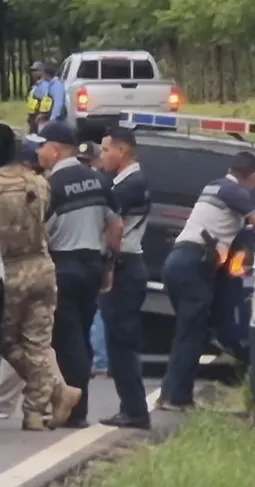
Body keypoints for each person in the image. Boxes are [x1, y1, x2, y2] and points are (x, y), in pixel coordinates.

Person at [158, 152, 255, 411]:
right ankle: (178, 398)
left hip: (177, 262)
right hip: (194, 264)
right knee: (192, 334)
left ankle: (169, 393)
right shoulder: (234, 191)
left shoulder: (215, 185)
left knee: (187, 333)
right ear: (252, 176)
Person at [0, 139, 82, 431]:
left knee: (4, 340)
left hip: (10, 270)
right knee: (38, 342)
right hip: (42, 267)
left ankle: (53, 391)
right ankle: (36, 412)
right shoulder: (41, 184)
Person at [28, 122, 123, 428]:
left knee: (66, 340)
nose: (39, 151)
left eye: (42, 146)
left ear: (55, 150)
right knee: (80, 334)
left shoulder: (49, 187)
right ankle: (72, 407)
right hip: (93, 266)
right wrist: (109, 265)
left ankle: (75, 411)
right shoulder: (98, 180)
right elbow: (116, 226)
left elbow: (38, 232)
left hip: (63, 267)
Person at [96, 127, 152, 429]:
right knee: (119, 341)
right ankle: (129, 407)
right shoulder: (127, 182)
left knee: (121, 343)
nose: (102, 156)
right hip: (129, 264)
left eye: (106, 150)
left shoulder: (128, 186)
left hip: (124, 265)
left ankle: (134, 410)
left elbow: (113, 226)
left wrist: (108, 262)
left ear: (122, 151)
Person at [77, 141, 110, 377]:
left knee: (93, 311)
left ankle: (97, 359)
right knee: (93, 310)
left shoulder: (101, 186)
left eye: (89, 162)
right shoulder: (101, 185)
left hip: (90, 253)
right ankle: (96, 358)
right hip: (91, 253)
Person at [26, 61, 49, 134]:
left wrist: (42, 114)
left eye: (36, 70)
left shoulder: (45, 84)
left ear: (42, 71)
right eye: (32, 71)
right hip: (33, 115)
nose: (33, 73)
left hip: (39, 115)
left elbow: (46, 100)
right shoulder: (37, 84)